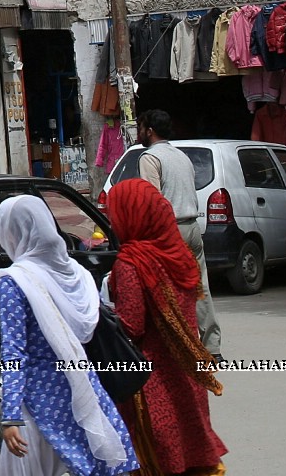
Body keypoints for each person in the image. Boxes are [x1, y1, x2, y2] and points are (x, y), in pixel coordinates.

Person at [0, 195, 136, 476]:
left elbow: (14, 352)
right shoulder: (76, 273)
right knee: (89, 462)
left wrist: (10, 415)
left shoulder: (14, 281)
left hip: (38, 399)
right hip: (82, 388)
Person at [105, 180, 227, 476]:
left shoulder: (132, 263)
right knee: (192, 455)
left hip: (153, 382)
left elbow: (131, 326)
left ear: (131, 215)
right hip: (186, 373)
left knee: (161, 459)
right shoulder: (180, 256)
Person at [136, 110, 221, 354]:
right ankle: (212, 345)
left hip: (169, 229)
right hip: (192, 226)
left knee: (167, 290)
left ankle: (178, 346)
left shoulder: (149, 158)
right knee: (200, 286)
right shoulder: (181, 155)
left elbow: (152, 200)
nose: (139, 133)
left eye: (141, 128)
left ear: (150, 130)